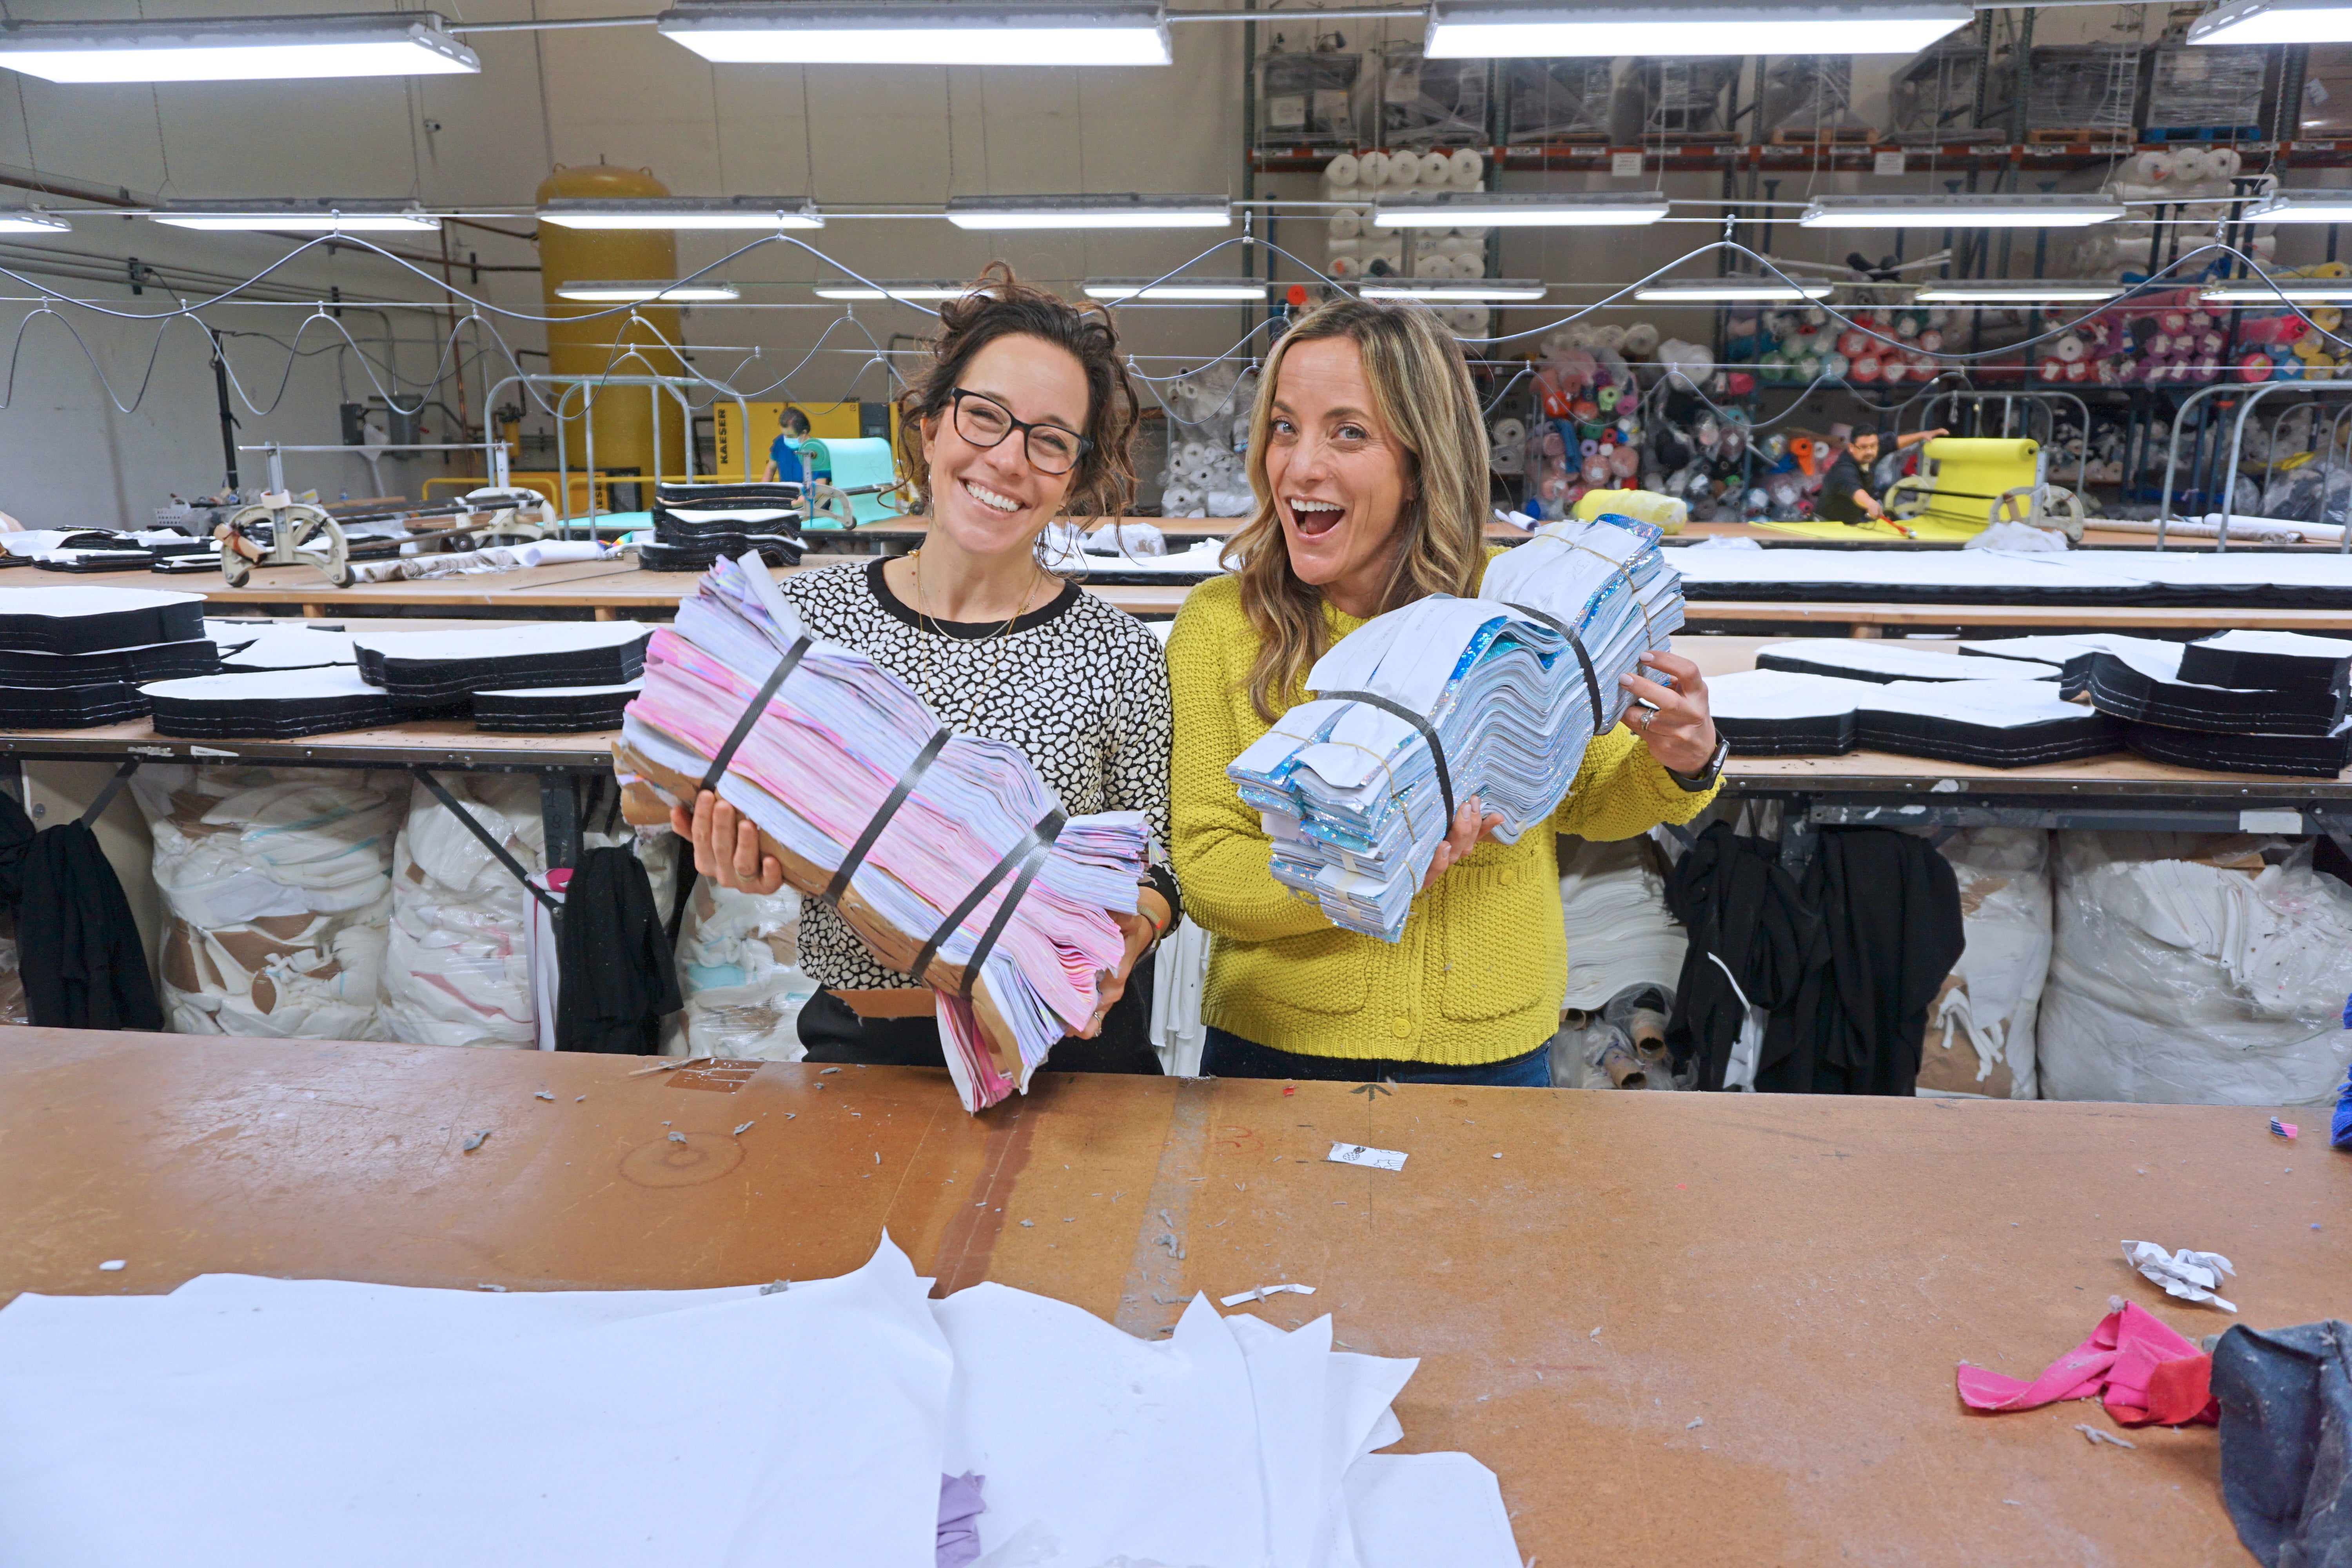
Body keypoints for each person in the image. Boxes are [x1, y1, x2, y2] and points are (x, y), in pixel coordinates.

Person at [1165, 297, 1724, 1087]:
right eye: (1284, 426)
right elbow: (1209, 869)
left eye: (1348, 431)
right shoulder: (1225, 626)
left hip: (1491, 1053)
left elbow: (1592, 795)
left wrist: (1680, 760)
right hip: (1279, 1051)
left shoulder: (1517, 612)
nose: (1298, 465)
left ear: (1422, 458)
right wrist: (1365, 874)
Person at [676, 264, 1179, 1071]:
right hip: (866, 1050)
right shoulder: (810, 625)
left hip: (1066, 1058)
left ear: (1075, 475)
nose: (1008, 459)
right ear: (931, 428)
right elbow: (730, 796)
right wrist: (734, 846)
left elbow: (1160, 862)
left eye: (1050, 439)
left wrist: (1133, 932)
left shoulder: (1117, 653)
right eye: (984, 417)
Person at [1815, 424, 1947, 526]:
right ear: (1851, 448)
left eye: (1873, 446)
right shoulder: (1844, 469)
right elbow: (1855, 490)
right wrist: (1870, 504)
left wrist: (1923, 435)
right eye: (1864, 447)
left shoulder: (1873, 450)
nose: (1869, 451)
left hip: (1850, 524)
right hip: (1825, 525)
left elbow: (1894, 443)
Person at [762, 405, 816, 486]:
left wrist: (802, 499)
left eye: (790, 436)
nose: (786, 439)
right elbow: (771, 469)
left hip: (810, 496)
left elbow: (821, 483)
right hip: (786, 494)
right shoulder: (780, 442)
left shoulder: (817, 449)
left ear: (804, 433)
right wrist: (760, 492)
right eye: (784, 435)